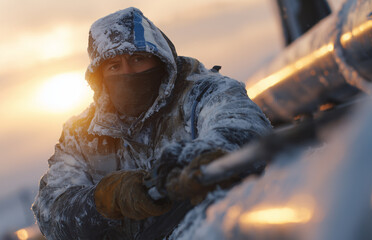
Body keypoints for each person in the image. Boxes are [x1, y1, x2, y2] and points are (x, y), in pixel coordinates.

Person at [32, 7, 271, 240]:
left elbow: (243, 128)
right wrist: (109, 198)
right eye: (114, 66)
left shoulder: (203, 92)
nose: (128, 72)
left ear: (159, 58)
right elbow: (51, 211)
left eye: (138, 58)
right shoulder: (82, 134)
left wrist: (198, 160)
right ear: (99, 76)